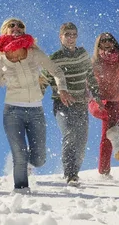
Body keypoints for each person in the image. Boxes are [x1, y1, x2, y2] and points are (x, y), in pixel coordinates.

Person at [0, 18, 73, 194]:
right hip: (12, 112)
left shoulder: (33, 53)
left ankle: (25, 166)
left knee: (39, 159)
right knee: (20, 155)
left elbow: (56, 71)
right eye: (12, 25)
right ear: (5, 31)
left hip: (35, 111)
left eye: (20, 26)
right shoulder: (0, 62)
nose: (17, 28)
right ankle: (21, 192)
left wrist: (62, 89)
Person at [40, 22, 100, 185]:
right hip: (62, 104)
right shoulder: (54, 59)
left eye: (74, 35)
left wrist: (97, 95)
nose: (71, 38)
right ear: (61, 37)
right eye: (67, 35)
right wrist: (34, 98)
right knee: (70, 134)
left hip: (81, 104)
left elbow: (91, 76)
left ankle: (75, 170)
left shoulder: (82, 55)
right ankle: (70, 174)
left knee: (81, 141)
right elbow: (43, 81)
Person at [89, 17, 119, 177]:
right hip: (97, 102)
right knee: (113, 126)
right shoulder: (95, 62)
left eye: (109, 40)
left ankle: (104, 171)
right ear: (99, 45)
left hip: (114, 103)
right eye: (103, 41)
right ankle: (118, 141)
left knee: (107, 135)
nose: (107, 43)